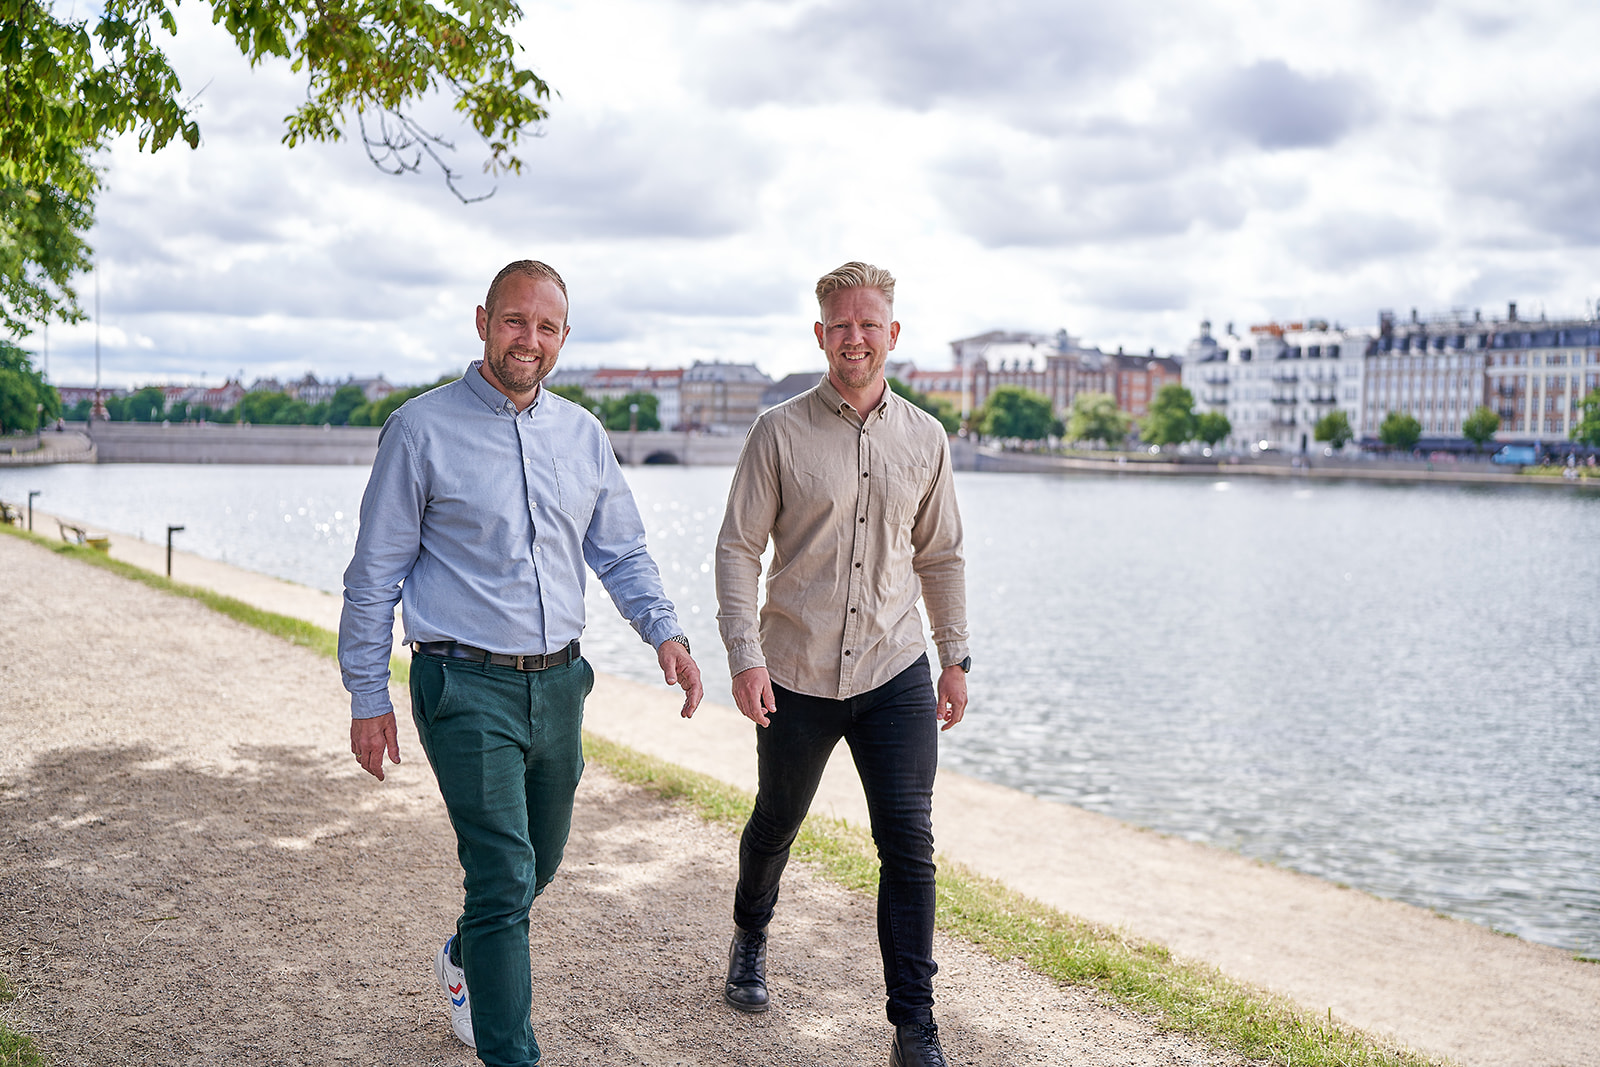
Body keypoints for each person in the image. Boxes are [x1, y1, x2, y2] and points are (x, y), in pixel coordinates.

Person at [339, 259, 703, 1067]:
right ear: (482, 320)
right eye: (514, 321)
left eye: (545, 326)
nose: (528, 340)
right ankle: (513, 1053)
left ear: (563, 337)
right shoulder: (419, 430)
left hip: (562, 683)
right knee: (502, 875)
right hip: (462, 682)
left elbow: (622, 549)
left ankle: (467, 957)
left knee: (539, 860)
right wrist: (369, 696)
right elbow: (373, 577)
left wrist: (666, 634)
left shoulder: (582, 433)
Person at [714, 261, 970, 1067]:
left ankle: (913, 1024)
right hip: (793, 671)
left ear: (892, 334)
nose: (854, 337)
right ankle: (751, 932)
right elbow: (737, 548)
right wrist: (744, 656)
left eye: (869, 324)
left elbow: (943, 555)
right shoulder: (778, 431)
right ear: (820, 333)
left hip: (895, 670)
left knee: (908, 841)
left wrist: (955, 657)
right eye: (840, 325)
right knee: (776, 821)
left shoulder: (925, 437)